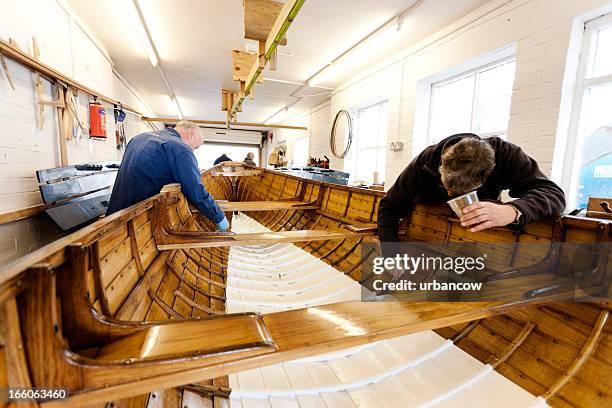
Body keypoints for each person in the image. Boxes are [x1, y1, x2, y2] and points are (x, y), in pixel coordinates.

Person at [377, 133, 565, 242]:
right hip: (429, 230)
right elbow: (389, 207)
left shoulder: (507, 156)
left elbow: (554, 194)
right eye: (446, 186)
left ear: (487, 175)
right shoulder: (424, 162)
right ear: (441, 165)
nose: (450, 195)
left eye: (458, 193)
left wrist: (513, 211)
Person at [106, 121, 229, 231]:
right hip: (136, 218)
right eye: (196, 147)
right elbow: (195, 190)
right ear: (190, 134)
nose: (193, 151)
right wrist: (219, 217)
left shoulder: (138, 138)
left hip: (114, 213)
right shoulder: (180, 148)